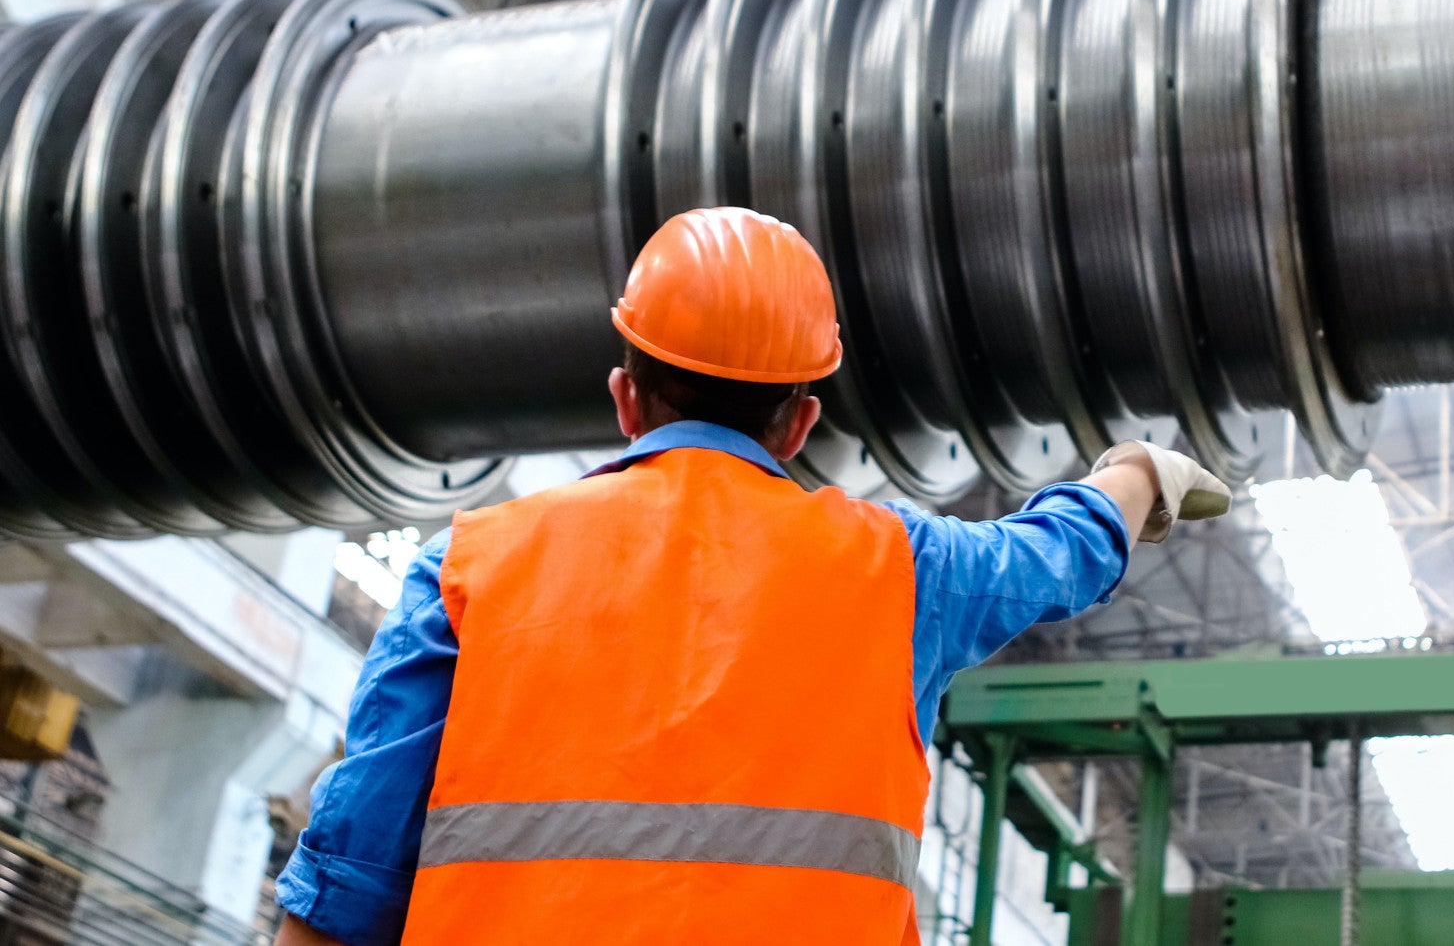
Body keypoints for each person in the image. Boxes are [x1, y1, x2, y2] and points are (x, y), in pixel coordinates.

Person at [272, 207, 1230, 945]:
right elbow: (1055, 554)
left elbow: (348, 877)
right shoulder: (904, 571)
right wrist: (1134, 474)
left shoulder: (469, 566)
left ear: (624, 397)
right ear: (802, 421)